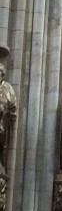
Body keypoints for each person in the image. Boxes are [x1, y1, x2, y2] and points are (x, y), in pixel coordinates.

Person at [0, 46, 17, 177]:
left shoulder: (8, 87)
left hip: (3, 123)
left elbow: (12, 106)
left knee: (2, 145)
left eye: (0, 73)